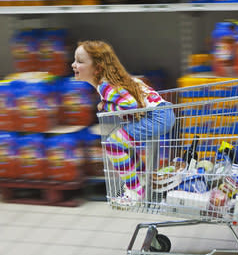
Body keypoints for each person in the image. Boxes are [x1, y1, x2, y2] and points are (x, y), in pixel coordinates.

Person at [72, 40, 175, 202]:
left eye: (79, 61)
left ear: (97, 68)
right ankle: (141, 178)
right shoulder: (114, 80)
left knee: (113, 145)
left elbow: (130, 105)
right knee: (123, 143)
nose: (73, 65)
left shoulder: (105, 85)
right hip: (162, 112)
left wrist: (106, 107)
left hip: (157, 117)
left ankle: (135, 192)